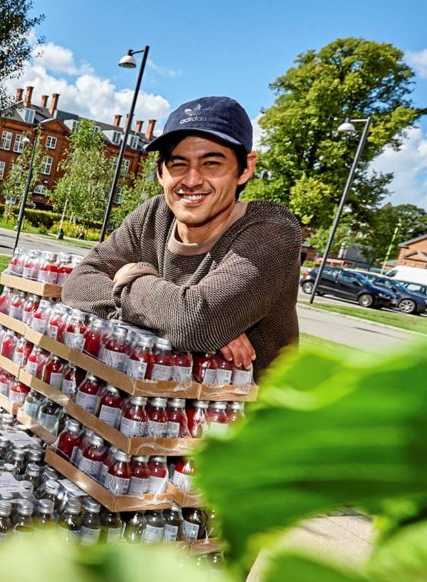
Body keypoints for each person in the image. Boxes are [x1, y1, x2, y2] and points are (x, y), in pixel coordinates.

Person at [62, 96, 301, 377]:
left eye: (212, 163)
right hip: (157, 406)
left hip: (247, 415)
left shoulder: (272, 230)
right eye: (178, 164)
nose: (192, 180)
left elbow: (195, 323)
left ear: (245, 169)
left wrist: (131, 276)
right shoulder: (153, 215)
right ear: (160, 172)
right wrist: (183, 322)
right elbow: (77, 285)